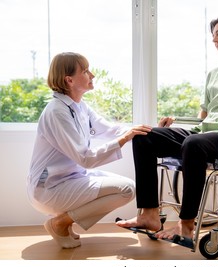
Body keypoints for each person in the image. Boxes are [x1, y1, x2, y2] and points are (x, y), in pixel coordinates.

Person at [116, 15, 218, 241]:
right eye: (213, 35)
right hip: (203, 136)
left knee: (193, 143)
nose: (214, 39)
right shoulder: (214, 75)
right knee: (144, 135)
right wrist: (176, 123)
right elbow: (204, 117)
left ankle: (186, 224)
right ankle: (149, 214)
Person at [27, 52, 152, 249]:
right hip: (49, 188)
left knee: (127, 186)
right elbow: (85, 158)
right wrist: (124, 138)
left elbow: (110, 129)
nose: (92, 75)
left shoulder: (79, 106)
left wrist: (150, 130)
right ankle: (60, 222)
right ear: (69, 80)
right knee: (126, 190)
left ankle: (63, 222)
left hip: (68, 179)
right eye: (85, 71)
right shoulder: (57, 111)